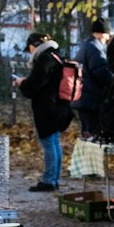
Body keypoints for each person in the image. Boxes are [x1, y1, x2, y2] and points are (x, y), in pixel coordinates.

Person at [14, 32, 73, 192]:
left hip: (48, 108)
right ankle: (54, 179)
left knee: (49, 144)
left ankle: (49, 180)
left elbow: (34, 84)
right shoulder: (56, 55)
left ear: (36, 44)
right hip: (60, 106)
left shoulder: (45, 59)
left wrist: (21, 83)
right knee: (54, 143)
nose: (30, 51)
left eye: (30, 48)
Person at [73, 18, 113, 138]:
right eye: (107, 34)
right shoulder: (95, 50)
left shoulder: (86, 46)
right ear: (102, 33)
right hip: (91, 100)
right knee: (92, 135)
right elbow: (102, 74)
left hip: (83, 98)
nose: (108, 38)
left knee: (86, 133)